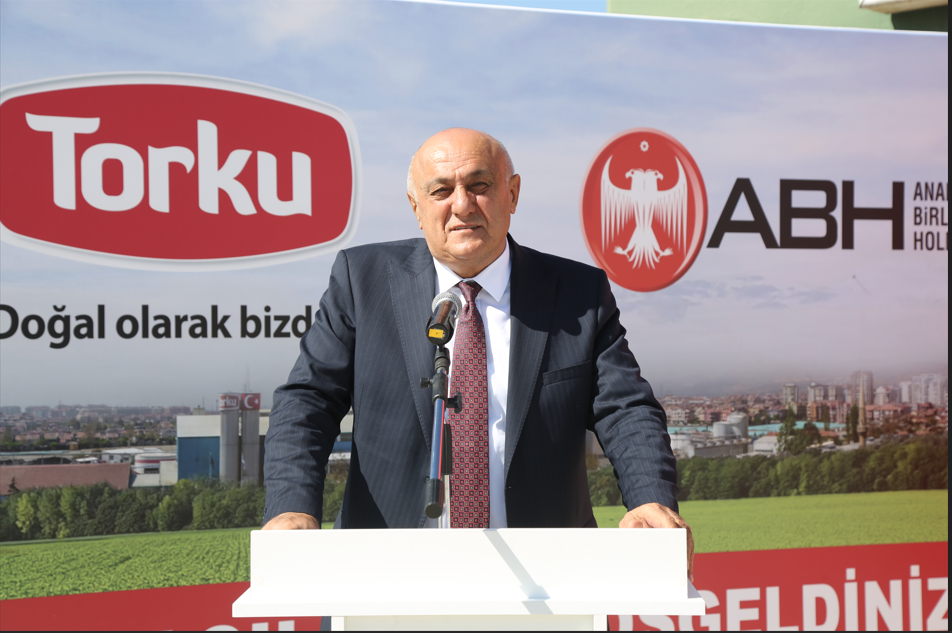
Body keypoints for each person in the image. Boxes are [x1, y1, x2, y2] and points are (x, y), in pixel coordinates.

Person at [262, 128, 694, 581]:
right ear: (416, 206)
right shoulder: (361, 281)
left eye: (479, 185)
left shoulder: (578, 294)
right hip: (385, 578)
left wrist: (650, 499)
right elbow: (308, 401)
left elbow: (626, 410)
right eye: (441, 191)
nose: (462, 205)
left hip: (547, 582)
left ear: (513, 193)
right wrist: (291, 507)